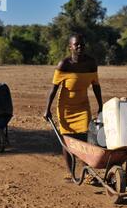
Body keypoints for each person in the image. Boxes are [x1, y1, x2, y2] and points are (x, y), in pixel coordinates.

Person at [44, 33, 103, 179]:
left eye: (82, 44)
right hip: (66, 107)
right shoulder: (64, 64)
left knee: (84, 138)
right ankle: (71, 173)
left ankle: (86, 171)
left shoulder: (91, 63)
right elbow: (54, 89)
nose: (80, 47)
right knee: (68, 139)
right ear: (70, 47)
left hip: (83, 105)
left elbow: (96, 85)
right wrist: (47, 109)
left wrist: (101, 105)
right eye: (76, 44)